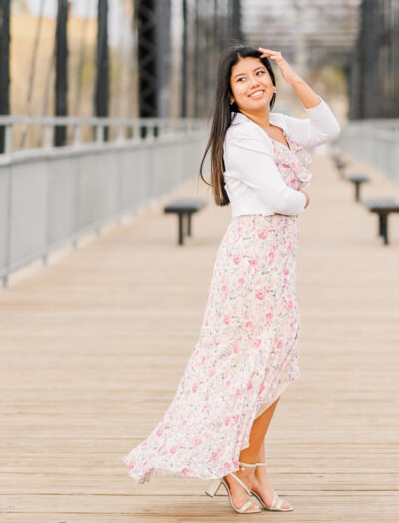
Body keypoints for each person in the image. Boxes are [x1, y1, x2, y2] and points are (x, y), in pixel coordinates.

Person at [123, 45, 341, 514]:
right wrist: (306, 201)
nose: (254, 83)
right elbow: (279, 198)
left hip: (278, 258)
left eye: (261, 74)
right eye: (242, 79)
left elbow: (329, 128)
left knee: (275, 364)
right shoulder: (242, 137)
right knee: (251, 364)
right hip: (251, 256)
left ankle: (250, 467)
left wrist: (290, 69)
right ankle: (242, 468)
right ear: (230, 94)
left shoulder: (281, 124)